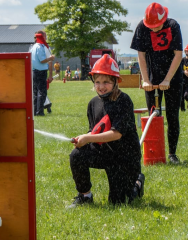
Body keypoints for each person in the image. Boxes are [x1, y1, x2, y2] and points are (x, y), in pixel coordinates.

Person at [68, 54, 144, 207]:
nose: (101, 86)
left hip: (124, 158)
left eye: (106, 82)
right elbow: (95, 132)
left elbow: (116, 134)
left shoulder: (123, 101)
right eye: (97, 82)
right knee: (77, 155)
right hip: (105, 153)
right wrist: (84, 139)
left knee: (119, 203)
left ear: (115, 82)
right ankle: (85, 196)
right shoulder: (93, 103)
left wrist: (88, 138)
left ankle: (137, 183)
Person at [130, 2, 183, 164]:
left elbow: (178, 55)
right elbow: (141, 56)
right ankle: (153, 154)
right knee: (153, 114)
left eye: (157, 26)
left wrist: (168, 79)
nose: (153, 29)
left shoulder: (173, 26)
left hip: (173, 77)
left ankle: (172, 154)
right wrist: (146, 80)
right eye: (151, 26)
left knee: (172, 116)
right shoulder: (141, 27)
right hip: (151, 78)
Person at [29, 30, 55, 116]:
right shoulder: (40, 47)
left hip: (34, 71)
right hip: (40, 72)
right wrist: (50, 58)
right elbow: (42, 60)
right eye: (45, 36)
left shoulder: (33, 47)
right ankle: (40, 111)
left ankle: (35, 111)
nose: (46, 38)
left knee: (35, 92)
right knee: (42, 92)